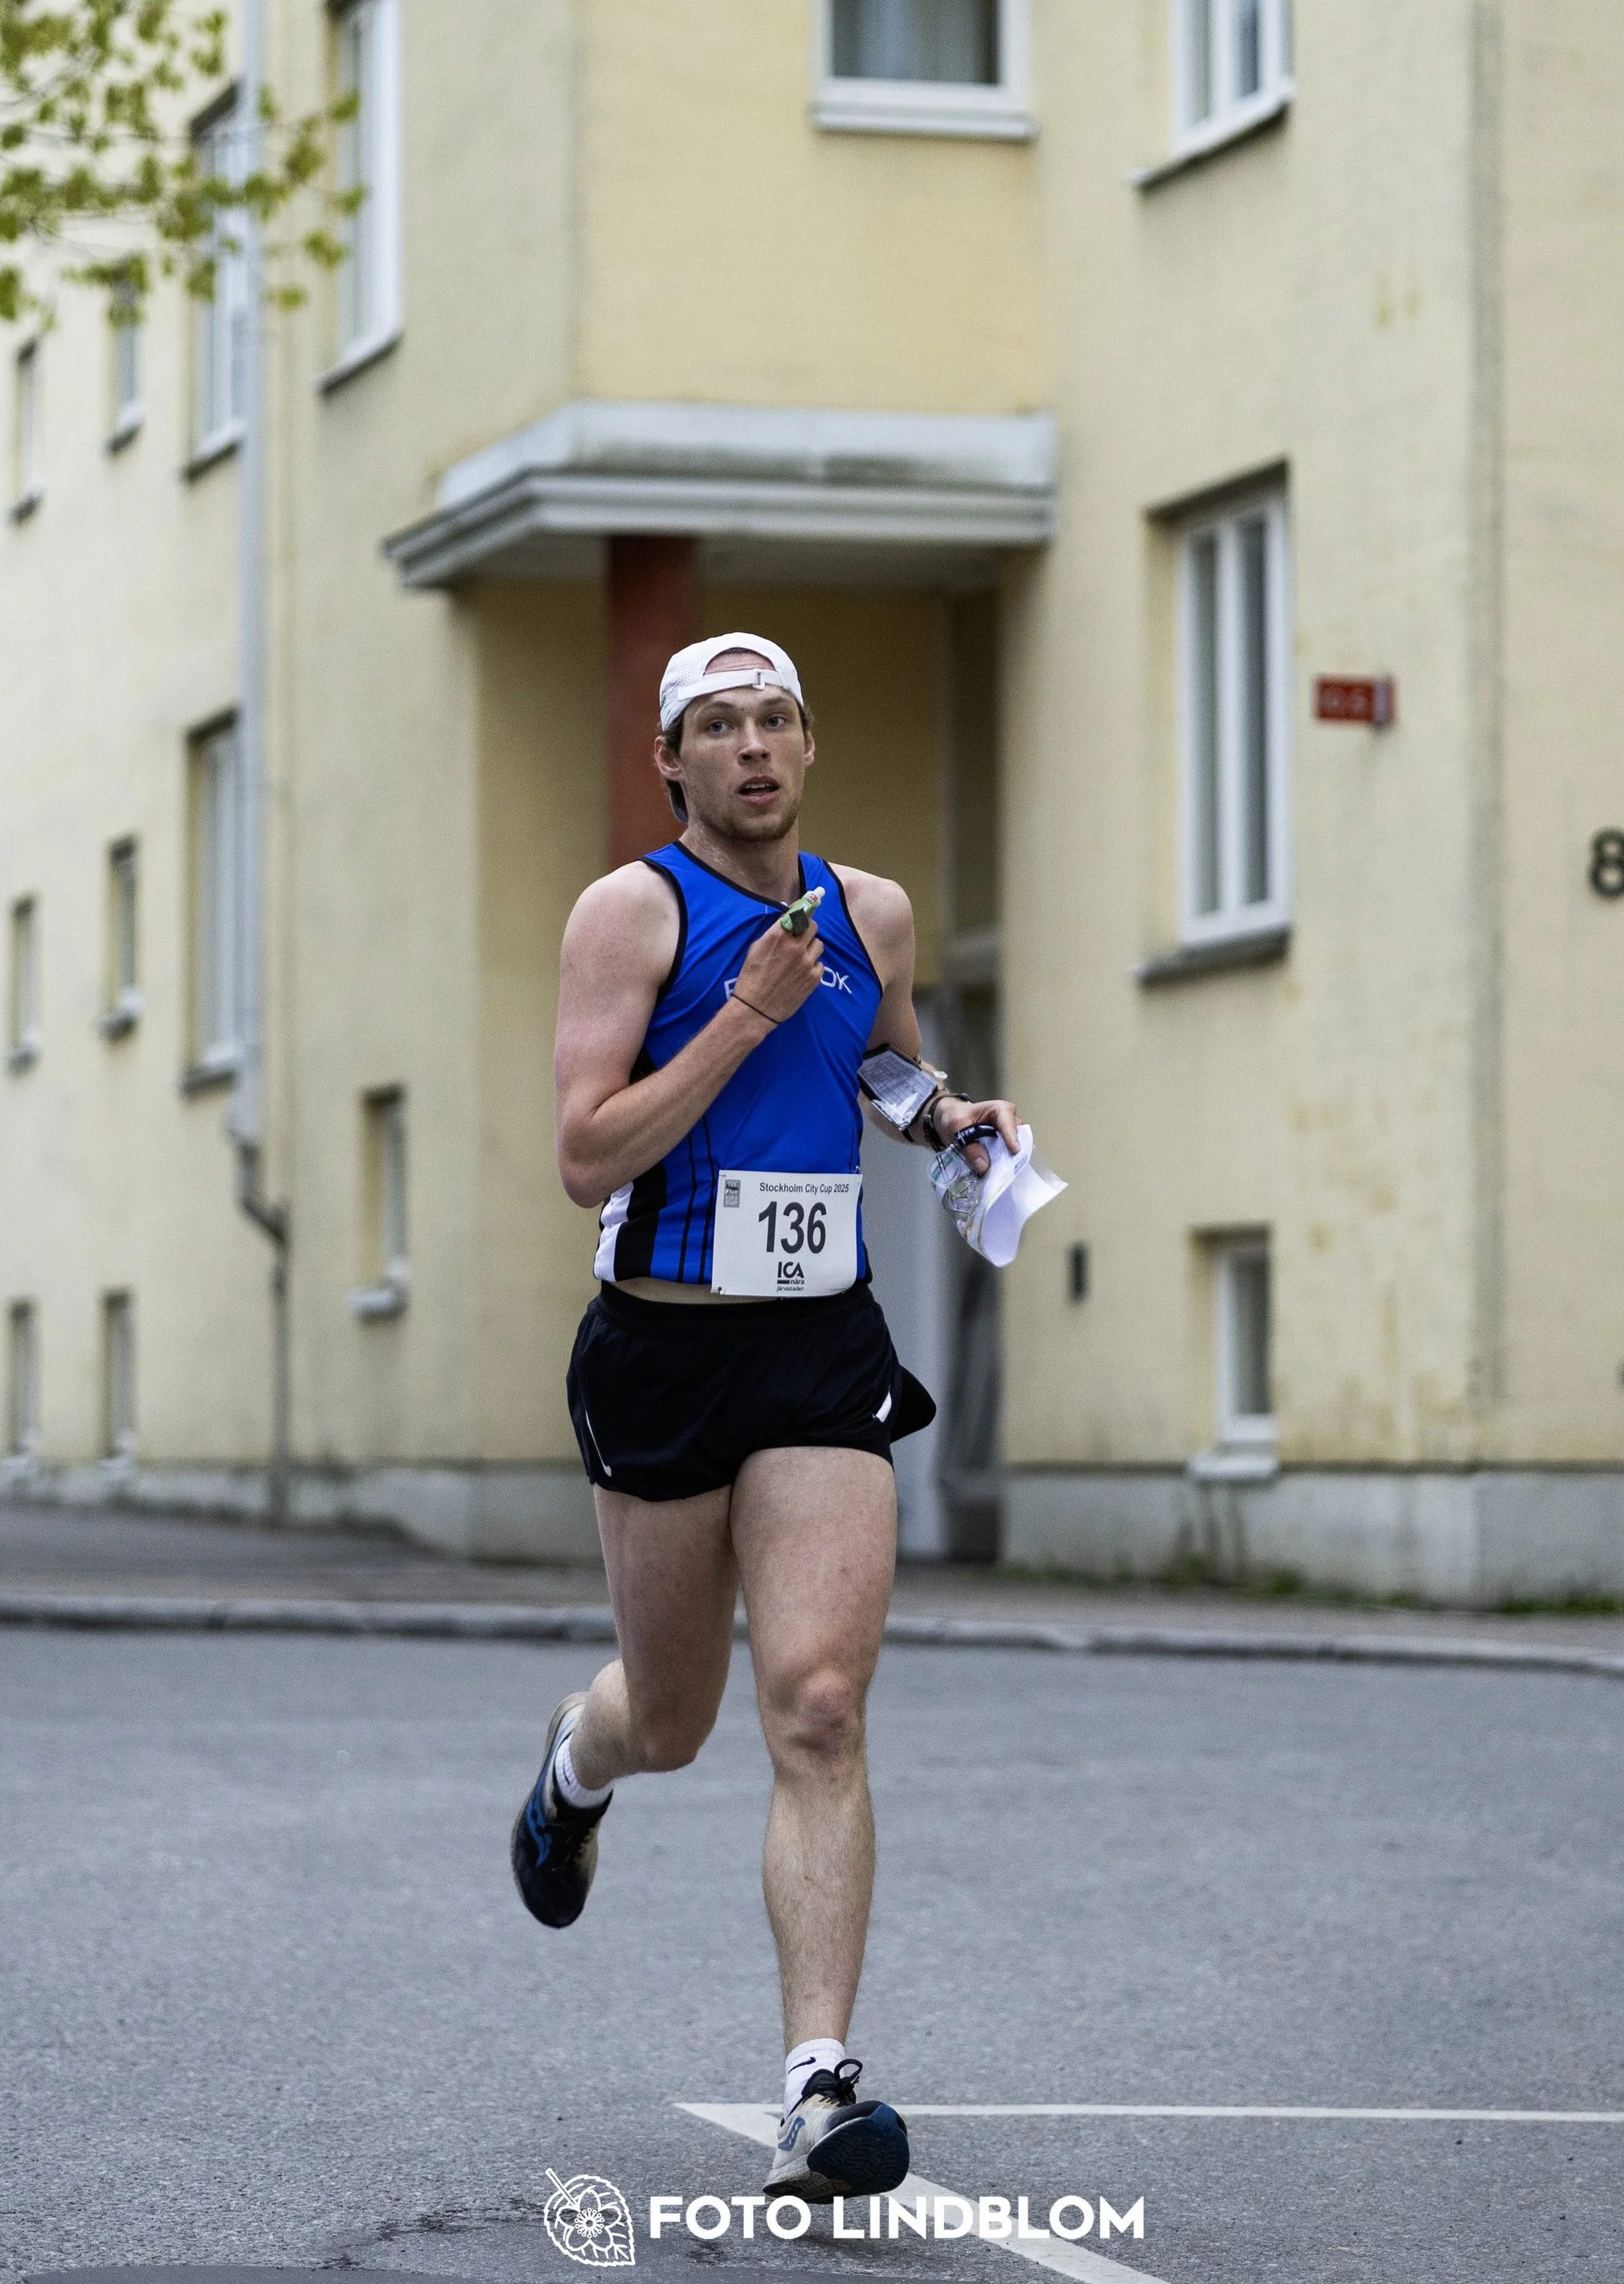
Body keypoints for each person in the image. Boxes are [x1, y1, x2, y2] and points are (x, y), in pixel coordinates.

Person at [513, 632, 1021, 2204]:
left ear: (807, 745)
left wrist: (942, 1114)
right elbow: (587, 1155)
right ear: (670, 759)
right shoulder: (632, 913)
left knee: (814, 1705)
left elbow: (870, 1059)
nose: (750, 746)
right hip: (661, 1355)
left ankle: (817, 2083)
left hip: (817, 1350)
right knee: (671, 1718)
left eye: (775, 719)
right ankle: (573, 1766)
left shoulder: (870, 911)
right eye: (715, 724)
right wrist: (735, 1015)